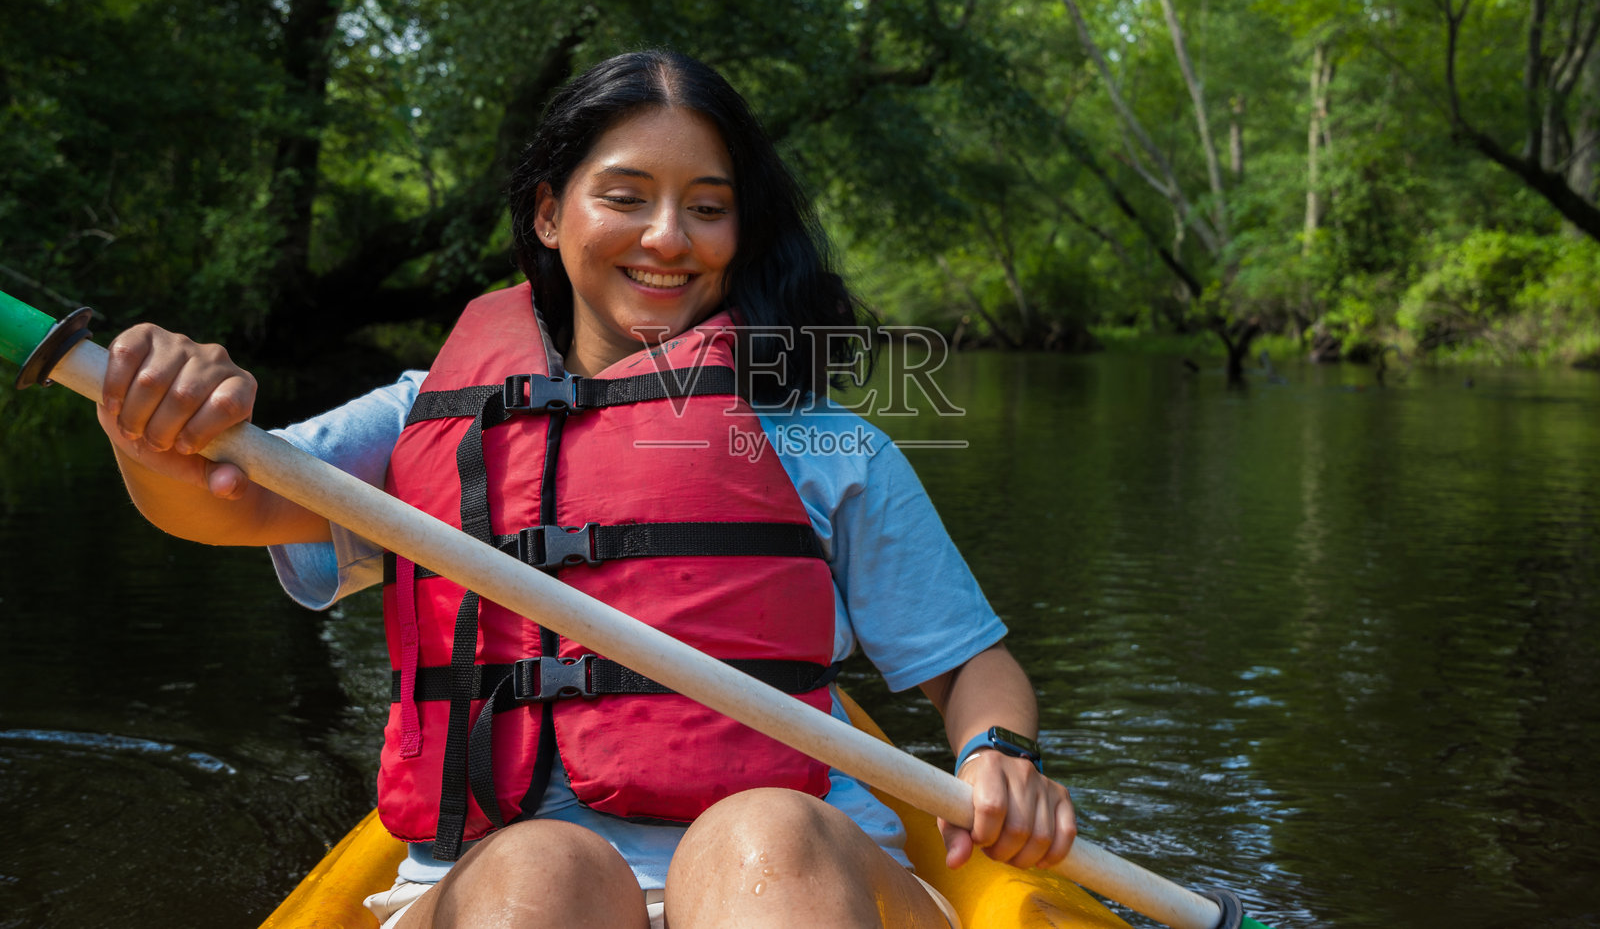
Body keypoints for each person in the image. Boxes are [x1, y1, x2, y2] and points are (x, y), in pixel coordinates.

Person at [93, 50, 1076, 929]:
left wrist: (998, 749)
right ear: (547, 210)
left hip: (792, 876)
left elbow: (971, 667)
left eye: (706, 203)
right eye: (625, 194)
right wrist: (151, 423)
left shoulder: (816, 437)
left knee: (760, 836)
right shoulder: (421, 421)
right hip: (497, 878)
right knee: (539, 866)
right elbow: (216, 492)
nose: (667, 236)